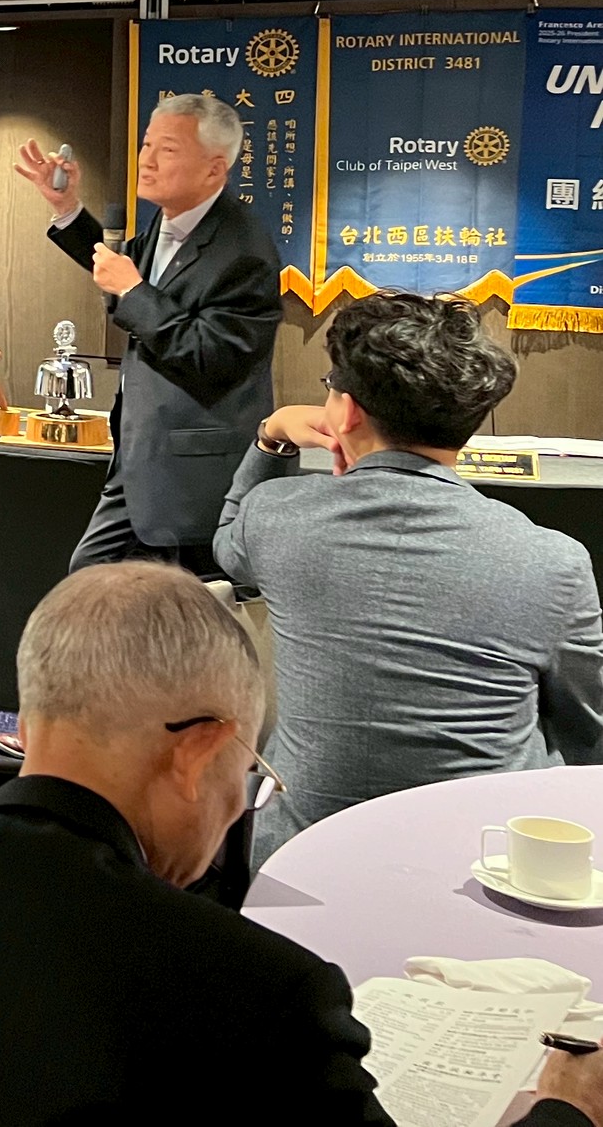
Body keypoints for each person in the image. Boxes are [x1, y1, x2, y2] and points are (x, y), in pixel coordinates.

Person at [0, 562, 603, 1127]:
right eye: (251, 766)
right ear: (200, 750)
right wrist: (567, 1107)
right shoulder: (259, 990)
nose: (242, 800)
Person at [216, 291, 603, 854]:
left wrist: (272, 434)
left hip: (300, 853)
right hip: (486, 859)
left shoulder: (276, 517)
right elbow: (589, 725)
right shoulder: (554, 561)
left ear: (346, 412)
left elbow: (227, 543)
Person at [16, 92, 282, 572]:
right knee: (91, 580)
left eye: (168, 149)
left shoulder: (244, 250)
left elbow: (211, 356)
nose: (148, 160)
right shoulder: (169, 221)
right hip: (141, 459)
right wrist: (67, 208)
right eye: (147, 145)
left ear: (214, 170)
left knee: (179, 604)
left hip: (193, 476)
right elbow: (119, 276)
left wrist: (134, 289)